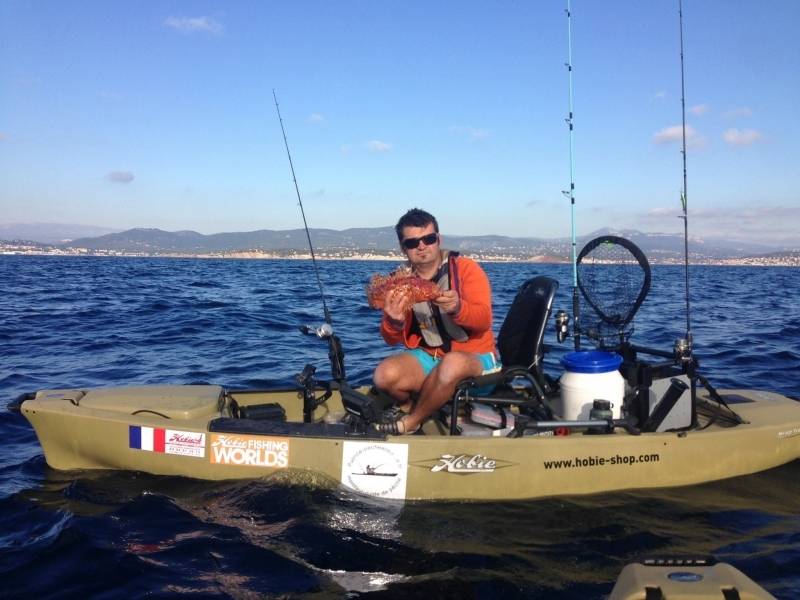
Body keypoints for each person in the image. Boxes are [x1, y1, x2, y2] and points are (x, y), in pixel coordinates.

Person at [373, 208, 500, 434]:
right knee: (384, 375)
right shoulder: (400, 282)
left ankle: (411, 422)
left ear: (438, 239)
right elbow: (390, 340)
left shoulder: (466, 269)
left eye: (428, 239)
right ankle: (410, 407)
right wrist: (394, 322)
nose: (421, 246)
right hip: (430, 358)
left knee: (451, 363)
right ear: (404, 248)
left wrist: (459, 308)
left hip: (478, 359)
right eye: (412, 243)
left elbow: (484, 319)